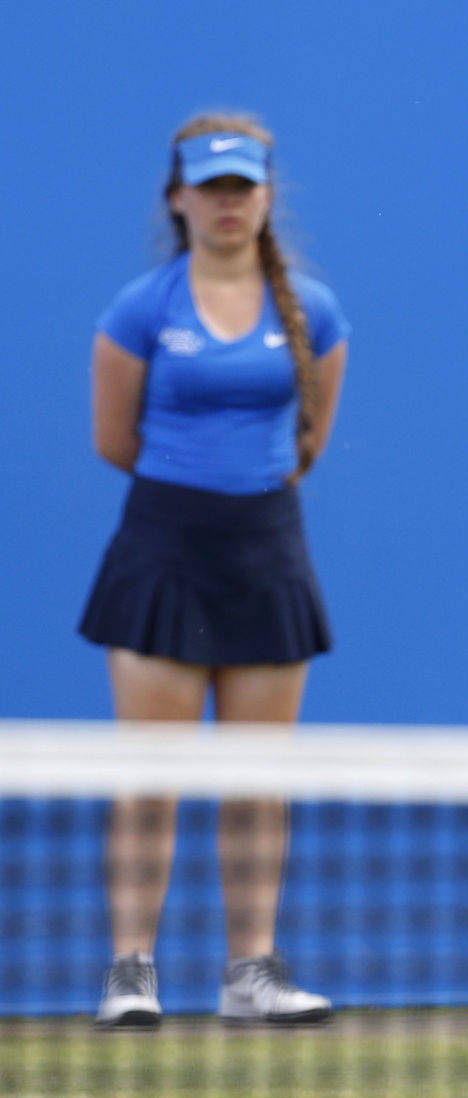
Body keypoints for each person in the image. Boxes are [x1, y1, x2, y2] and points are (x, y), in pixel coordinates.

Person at [83, 113, 347, 1029]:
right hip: (163, 549)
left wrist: (242, 500)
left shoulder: (311, 309)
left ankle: (251, 974)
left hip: (266, 553)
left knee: (255, 779)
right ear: (179, 198)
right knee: (149, 777)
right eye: (211, 187)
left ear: (266, 197)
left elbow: (308, 439)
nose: (228, 204)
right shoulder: (139, 309)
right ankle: (131, 973)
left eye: (243, 187)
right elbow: (114, 439)